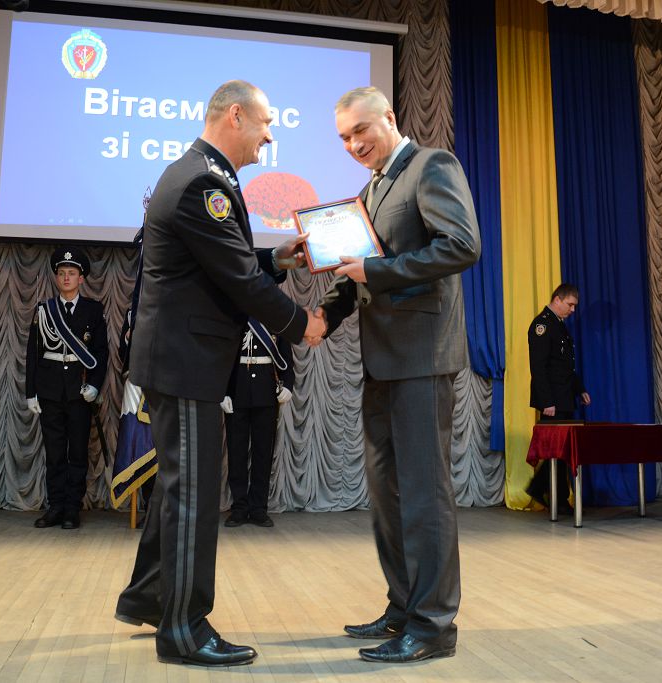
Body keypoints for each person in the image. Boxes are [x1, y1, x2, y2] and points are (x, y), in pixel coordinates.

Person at [113, 80, 325, 668]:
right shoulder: (202, 184)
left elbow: (219, 262)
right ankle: (184, 629)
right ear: (235, 115)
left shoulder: (197, 174)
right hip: (187, 362)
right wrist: (301, 324)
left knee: (178, 487)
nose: (269, 136)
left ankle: (149, 598)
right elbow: (236, 279)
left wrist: (275, 259)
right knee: (194, 494)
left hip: (181, 358)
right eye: (265, 123)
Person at [309, 86, 481, 664]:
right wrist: (322, 318)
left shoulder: (432, 165)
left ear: (389, 117)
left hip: (423, 357)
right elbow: (354, 270)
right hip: (382, 360)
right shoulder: (370, 189)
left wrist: (378, 270)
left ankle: (433, 626)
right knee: (387, 491)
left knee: (425, 494)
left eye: (361, 130)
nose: (353, 144)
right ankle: (403, 606)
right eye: (343, 137)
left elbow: (462, 246)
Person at [25, 246, 109, 530]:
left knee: (78, 454)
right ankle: (56, 506)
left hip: (78, 392)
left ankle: (72, 508)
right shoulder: (44, 310)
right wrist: (30, 392)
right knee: (54, 453)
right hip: (50, 390)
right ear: (56, 277)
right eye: (62, 273)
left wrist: (94, 385)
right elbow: (33, 353)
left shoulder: (93, 310)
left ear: (81, 278)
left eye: (72, 273)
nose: (66, 278)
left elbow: (101, 352)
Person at [222, 318, 294, 528]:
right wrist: (222, 391)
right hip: (237, 390)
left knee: (263, 453)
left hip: (266, 390)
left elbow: (285, 354)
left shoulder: (274, 317)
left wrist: (288, 384)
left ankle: (258, 508)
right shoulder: (235, 316)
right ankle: (239, 508)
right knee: (236, 452)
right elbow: (223, 356)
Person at [525, 284, 591, 513]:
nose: (573, 310)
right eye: (570, 305)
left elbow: (565, 366)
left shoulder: (559, 325)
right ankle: (549, 494)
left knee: (562, 451)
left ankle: (552, 495)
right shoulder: (542, 325)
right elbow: (539, 367)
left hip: (564, 397)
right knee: (557, 450)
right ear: (557, 300)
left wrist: (579, 389)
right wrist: (547, 402)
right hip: (553, 400)